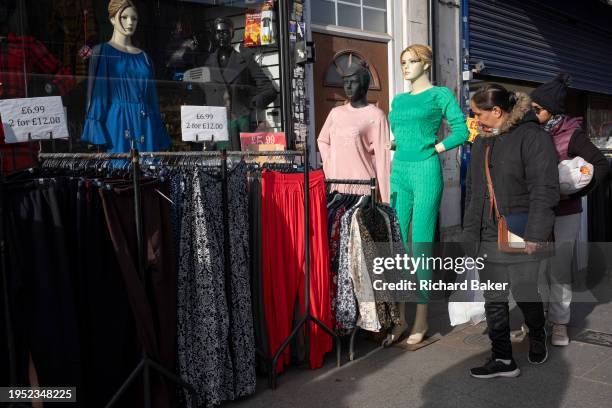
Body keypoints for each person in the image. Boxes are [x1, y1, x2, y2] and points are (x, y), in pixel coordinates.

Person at [463, 84, 559, 378]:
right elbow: (473, 192)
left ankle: (537, 331)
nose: (475, 119)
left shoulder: (533, 137)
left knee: (524, 289)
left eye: (479, 113)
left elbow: (545, 189)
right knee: (494, 295)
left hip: (520, 229)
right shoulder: (481, 141)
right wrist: (470, 233)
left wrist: (536, 234)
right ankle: (503, 358)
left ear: (497, 111)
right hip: (487, 231)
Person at [530, 73, 609, 346]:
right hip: (537, 211)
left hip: (565, 212)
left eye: (537, 108)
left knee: (559, 268)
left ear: (551, 110)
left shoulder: (572, 135)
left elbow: (601, 165)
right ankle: (537, 320)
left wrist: (579, 191)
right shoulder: (530, 132)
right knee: (538, 267)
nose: (532, 112)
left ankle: (560, 323)